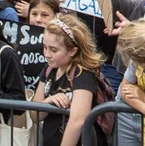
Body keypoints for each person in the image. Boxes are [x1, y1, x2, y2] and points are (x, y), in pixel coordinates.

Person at [32, 14, 109, 146]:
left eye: (54, 50)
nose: (47, 54)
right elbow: (34, 115)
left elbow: (77, 120)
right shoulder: (49, 69)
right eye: (45, 47)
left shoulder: (82, 73)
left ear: (73, 51)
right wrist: (48, 101)